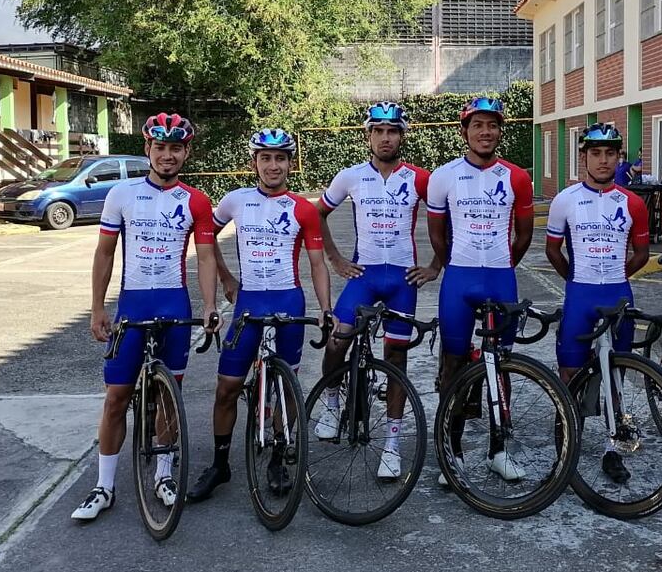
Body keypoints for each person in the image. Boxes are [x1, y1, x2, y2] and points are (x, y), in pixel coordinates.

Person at [72, 113, 219, 522]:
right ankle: (104, 486)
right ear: (147, 149)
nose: (167, 155)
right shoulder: (121, 194)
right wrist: (98, 306)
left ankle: (164, 474)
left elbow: (206, 257)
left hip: (174, 303)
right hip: (132, 304)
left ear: (186, 152)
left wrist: (208, 306)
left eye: (176, 148)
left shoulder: (196, 200)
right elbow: (104, 253)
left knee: (168, 397)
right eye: (160, 147)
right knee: (117, 397)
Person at [187, 128, 333, 501]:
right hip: (248, 303)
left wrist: (325, 309)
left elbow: (317, 264)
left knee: (286, 388)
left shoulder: (303, 208)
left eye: (280, 158)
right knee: (227, 387)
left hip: (289, 300)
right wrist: (226, 277)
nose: (273, 165)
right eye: (265, 158)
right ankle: (220, 464)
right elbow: (205, 238)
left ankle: (279, 458)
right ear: (254, 163)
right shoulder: (235, 201)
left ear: (289, 163)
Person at [315, 102, 438, 479]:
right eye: (379, 131)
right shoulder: (350, 176)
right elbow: (315, 215)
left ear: (402, 136)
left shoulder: (420, 178)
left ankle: (392, 444)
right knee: (337, 341)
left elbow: (447, 217)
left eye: (393, 131)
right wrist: (335, 259)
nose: (386, 138)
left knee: (396, 357)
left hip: (403, 279)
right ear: (368, 136)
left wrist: (435, 265)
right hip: (363, 276)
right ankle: (332, 402)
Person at [427, 95, 535, 482]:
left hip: (501, 277)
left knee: (500, 364)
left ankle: (498, 449)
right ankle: (451, 449)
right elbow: (436, 235)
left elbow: (524, 235)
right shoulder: (444, 175)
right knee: (452, 365)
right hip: (458, 279)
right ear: (464, 131)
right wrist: (455, 261)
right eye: (477, 125)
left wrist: (504, 264)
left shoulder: (517, 177)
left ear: (500, 131)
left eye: (492, 125)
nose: (485, 132)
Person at [543, 122, 650, 484]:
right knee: (570, 372)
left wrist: (619, 274)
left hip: (617, 293)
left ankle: (612, 448)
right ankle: (567, 441)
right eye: (595, 153)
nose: (603, 160)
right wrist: (574, 279)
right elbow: (553, 250)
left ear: (618, 157)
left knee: (615, 373)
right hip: (580, 294)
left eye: (610, 153)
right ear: (583, 157)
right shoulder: (565, 200)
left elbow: (642, 253)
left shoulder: (633, 202)